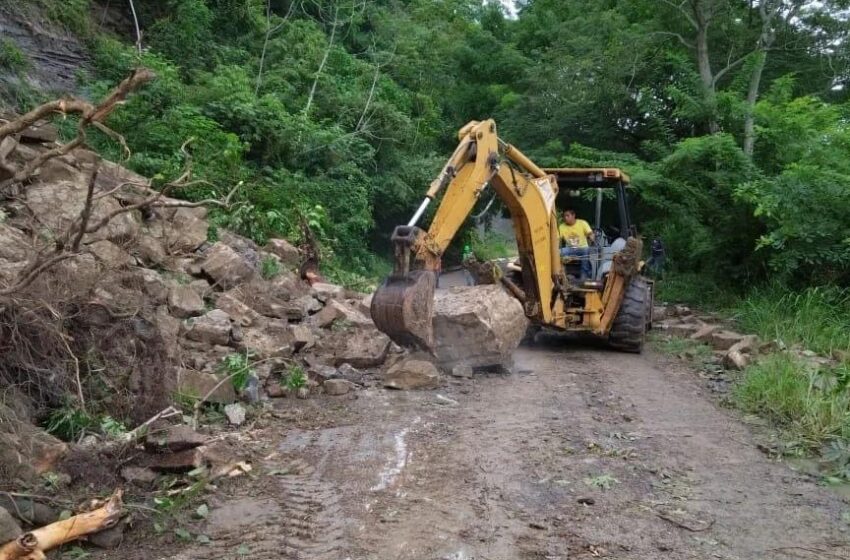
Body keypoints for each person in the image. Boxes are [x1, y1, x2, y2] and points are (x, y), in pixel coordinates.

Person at [559, 209, 595, 281]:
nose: (565, 218)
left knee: (586, 251)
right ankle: (562, 274)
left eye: (567, 216)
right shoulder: (562, 226)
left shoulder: (582, 223)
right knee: (558, 252)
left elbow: (590, 234)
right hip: (569, 249)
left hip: (582, 248)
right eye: (564, 216)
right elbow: (557, 239)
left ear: (573, 215)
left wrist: (592, 238)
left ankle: (584, 276)